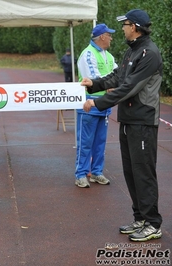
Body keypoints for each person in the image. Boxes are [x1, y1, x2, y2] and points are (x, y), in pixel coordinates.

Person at [82, 9, 163, 242]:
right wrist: (93, 83)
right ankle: (140, 218)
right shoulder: (132, 51)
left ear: (135, 27)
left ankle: (153, 223)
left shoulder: (150, 53)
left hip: (143, 122)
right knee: (131, 172)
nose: (123, 29)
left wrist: (96, 102)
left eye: (125, 24)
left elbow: (129, 87)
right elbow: (117, 77)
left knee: (143, 173)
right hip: (128, 120)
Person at [74, 23, 117, 188]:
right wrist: (112, 86)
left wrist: (113, 85)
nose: (111, 38)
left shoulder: (109, 56)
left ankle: (96, 172)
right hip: (89, 104)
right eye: (110, 35)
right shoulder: (88, 54)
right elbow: (94, 78)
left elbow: (116, 73)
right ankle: (80, 174)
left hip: (104, 105)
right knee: (85, 142)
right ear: (102, 37)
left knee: (100, 142)